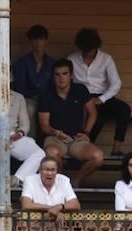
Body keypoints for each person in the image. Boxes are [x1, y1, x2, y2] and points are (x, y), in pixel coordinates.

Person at [36, 59, 102, 189]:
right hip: (56, 138)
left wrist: (86, 132)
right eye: (57, 74)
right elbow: (44, 125)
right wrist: (55, 132)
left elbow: (93, 113)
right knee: (52, 153)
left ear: (71, 75)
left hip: (77, 138)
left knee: (98, 156)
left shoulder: (80, 90)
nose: (61, 78)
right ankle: (60, 185)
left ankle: (75, 182)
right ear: (53, 76)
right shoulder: (46, 95)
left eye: (64, 74)